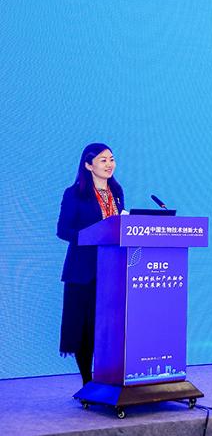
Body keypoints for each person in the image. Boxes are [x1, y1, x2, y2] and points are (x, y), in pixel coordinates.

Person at [56, 143, 125, 385]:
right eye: (103, 160)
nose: (109, 164)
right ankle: (88, 381)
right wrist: (93, 235)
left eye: (112, 159)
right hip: (83, 271)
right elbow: (63, 230)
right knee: (85, 327)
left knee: (108, 326)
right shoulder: (74, 194)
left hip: (113, 270)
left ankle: (109, 376)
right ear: (88, 165)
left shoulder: (117, 192)